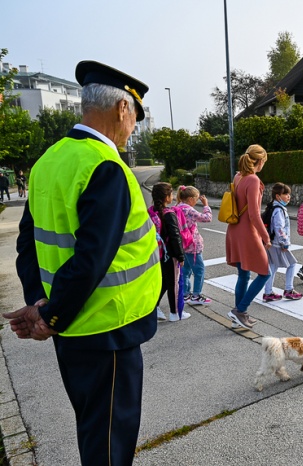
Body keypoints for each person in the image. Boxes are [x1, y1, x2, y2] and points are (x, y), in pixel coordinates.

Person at [4, 60, 161, 466]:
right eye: (135, 118)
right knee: (109, 444)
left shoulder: (48, 162)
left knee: (93, 429)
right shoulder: (106, 167)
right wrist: (49, 317)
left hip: (73, 334)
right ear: (122, 110)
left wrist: (41, 305)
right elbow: (91, 261)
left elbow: (29, 245)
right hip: (107, 330)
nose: (133, 129)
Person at [225, 144, 271, 330]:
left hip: (234, 230)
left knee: (243, 274)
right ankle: (240, 310)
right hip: (247, 232)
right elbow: (254, 213)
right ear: (260, 161)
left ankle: (239, 315)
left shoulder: (238, 176)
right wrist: (265, 236)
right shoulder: (253, 180)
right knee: (264, 273)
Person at [149, 182, 189, 322]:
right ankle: (175, 313)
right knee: (174, 283)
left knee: (165, 282)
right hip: (170, 254)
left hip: (157, 253)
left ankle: (154, 306)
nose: (172, 197)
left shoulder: (151, 212)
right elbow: (175, 237)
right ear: (166, 197)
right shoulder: (169, 214)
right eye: (171, 194)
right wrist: (180, 255)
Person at [263, 183, 303, 302]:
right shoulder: (279, 210)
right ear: (278, 196)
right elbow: (279, 228)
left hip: (273, 242)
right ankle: (288, 290)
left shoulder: (272, 207)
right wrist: (285, 243)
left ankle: (268, 292)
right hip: (278, 244)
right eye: (285, 194)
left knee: (273, 267)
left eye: (289, 194)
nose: (288, 196)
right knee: (292, 264)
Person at [175, 185, 213, 305]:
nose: (196, 202)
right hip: (192, 245)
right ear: (190, 198)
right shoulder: (189, 209)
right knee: (199, 270)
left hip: (182, 244)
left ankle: (186, 294)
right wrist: (206, 204)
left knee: (186, 270)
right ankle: (196, 295)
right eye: (196, 199)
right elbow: (207, 218)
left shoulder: (177, 207)